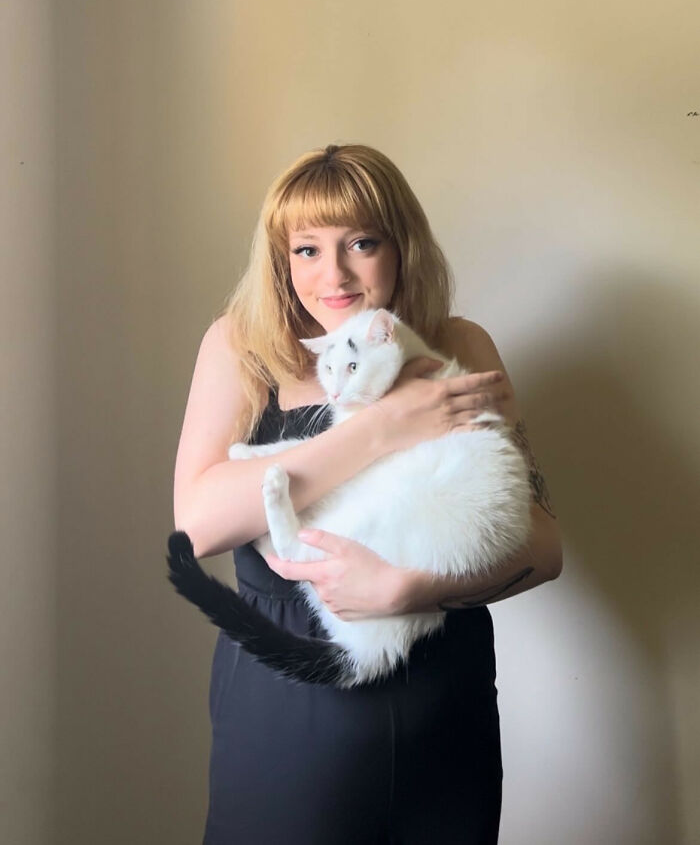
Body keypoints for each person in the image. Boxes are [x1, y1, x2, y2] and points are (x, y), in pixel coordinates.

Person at [173, 143, 562, 844]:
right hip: (291, 712)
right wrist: (379, 427)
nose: (335, 274)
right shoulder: (242, 347)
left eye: (361, 242)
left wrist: (409, 590)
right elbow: (197, 524)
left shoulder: (462, 344)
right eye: (307, 250)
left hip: (445, 703)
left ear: (400, 247)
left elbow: (543, 544)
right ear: (280, 262)